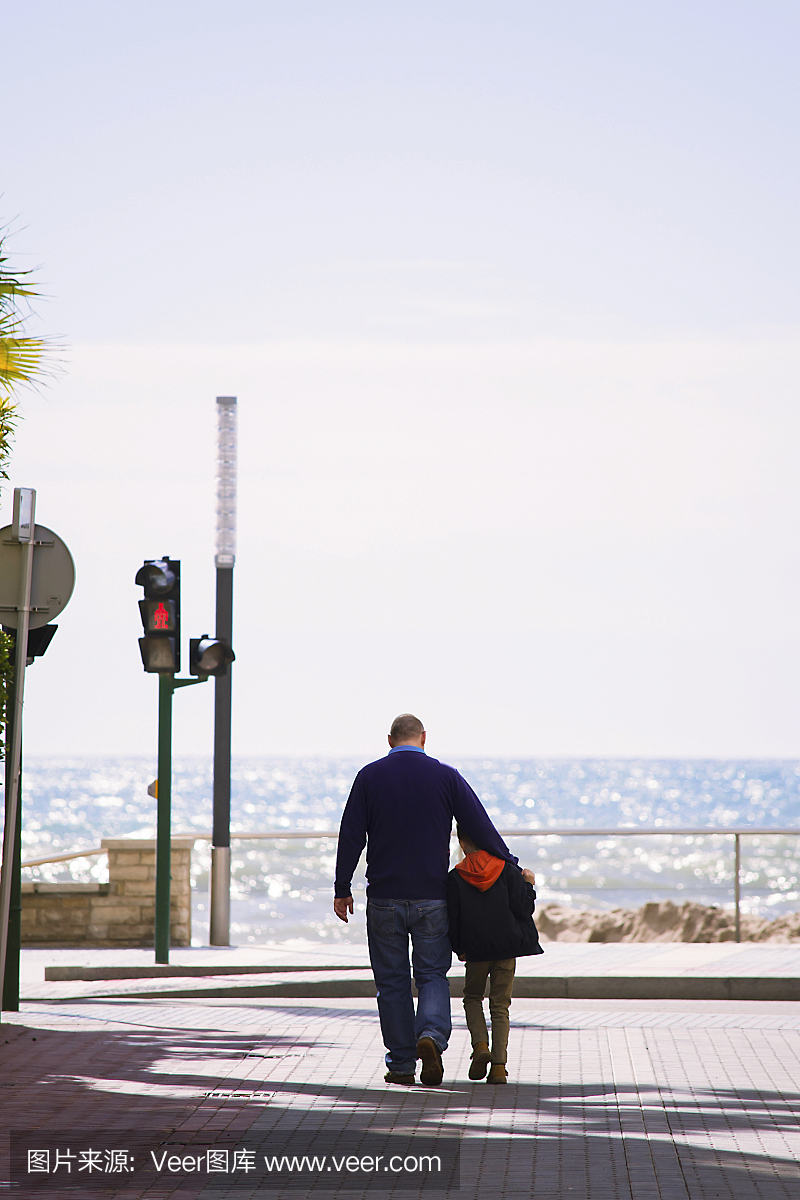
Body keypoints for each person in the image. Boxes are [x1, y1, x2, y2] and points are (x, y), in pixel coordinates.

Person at [333, 714, 520, 1087]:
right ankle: (430, 1037)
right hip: (433, 897)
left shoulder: (369, 776)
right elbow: (479, 825)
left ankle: (402, 1065)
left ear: (389, 740)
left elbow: (351, 833)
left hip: (385, 896)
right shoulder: (446, 776)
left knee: (391, 982)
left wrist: (342, 887)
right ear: (423, 738)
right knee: (432, 974)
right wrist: (510, 865)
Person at [446, 825, 542, 1084]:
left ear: (463, 844)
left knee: (473, 998)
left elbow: (452, 920)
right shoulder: (508, 870)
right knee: (500, 1006)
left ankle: (480, 1046)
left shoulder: (455, 877)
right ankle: (499, 1066)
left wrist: (459, 948)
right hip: (507, 948)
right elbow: (523, 910)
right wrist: (529, 885)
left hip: (476, 951)